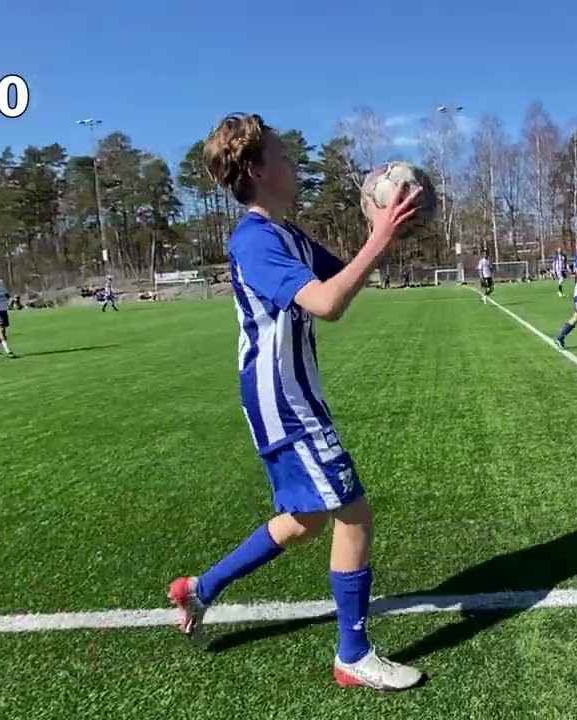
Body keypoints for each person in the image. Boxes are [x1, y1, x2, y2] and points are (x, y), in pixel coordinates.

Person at [166, 113, 425, 691]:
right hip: (283, 402)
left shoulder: (288, 236)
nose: (294, 164)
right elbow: (328, 304)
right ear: (257, 171)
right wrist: (380, 235)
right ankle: (353, 655)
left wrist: (380, 222)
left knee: (305, 519)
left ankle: (200, 589)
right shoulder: (254, 241)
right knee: (354, 514)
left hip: (290, 397)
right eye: (283, 157)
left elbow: (348, 279)